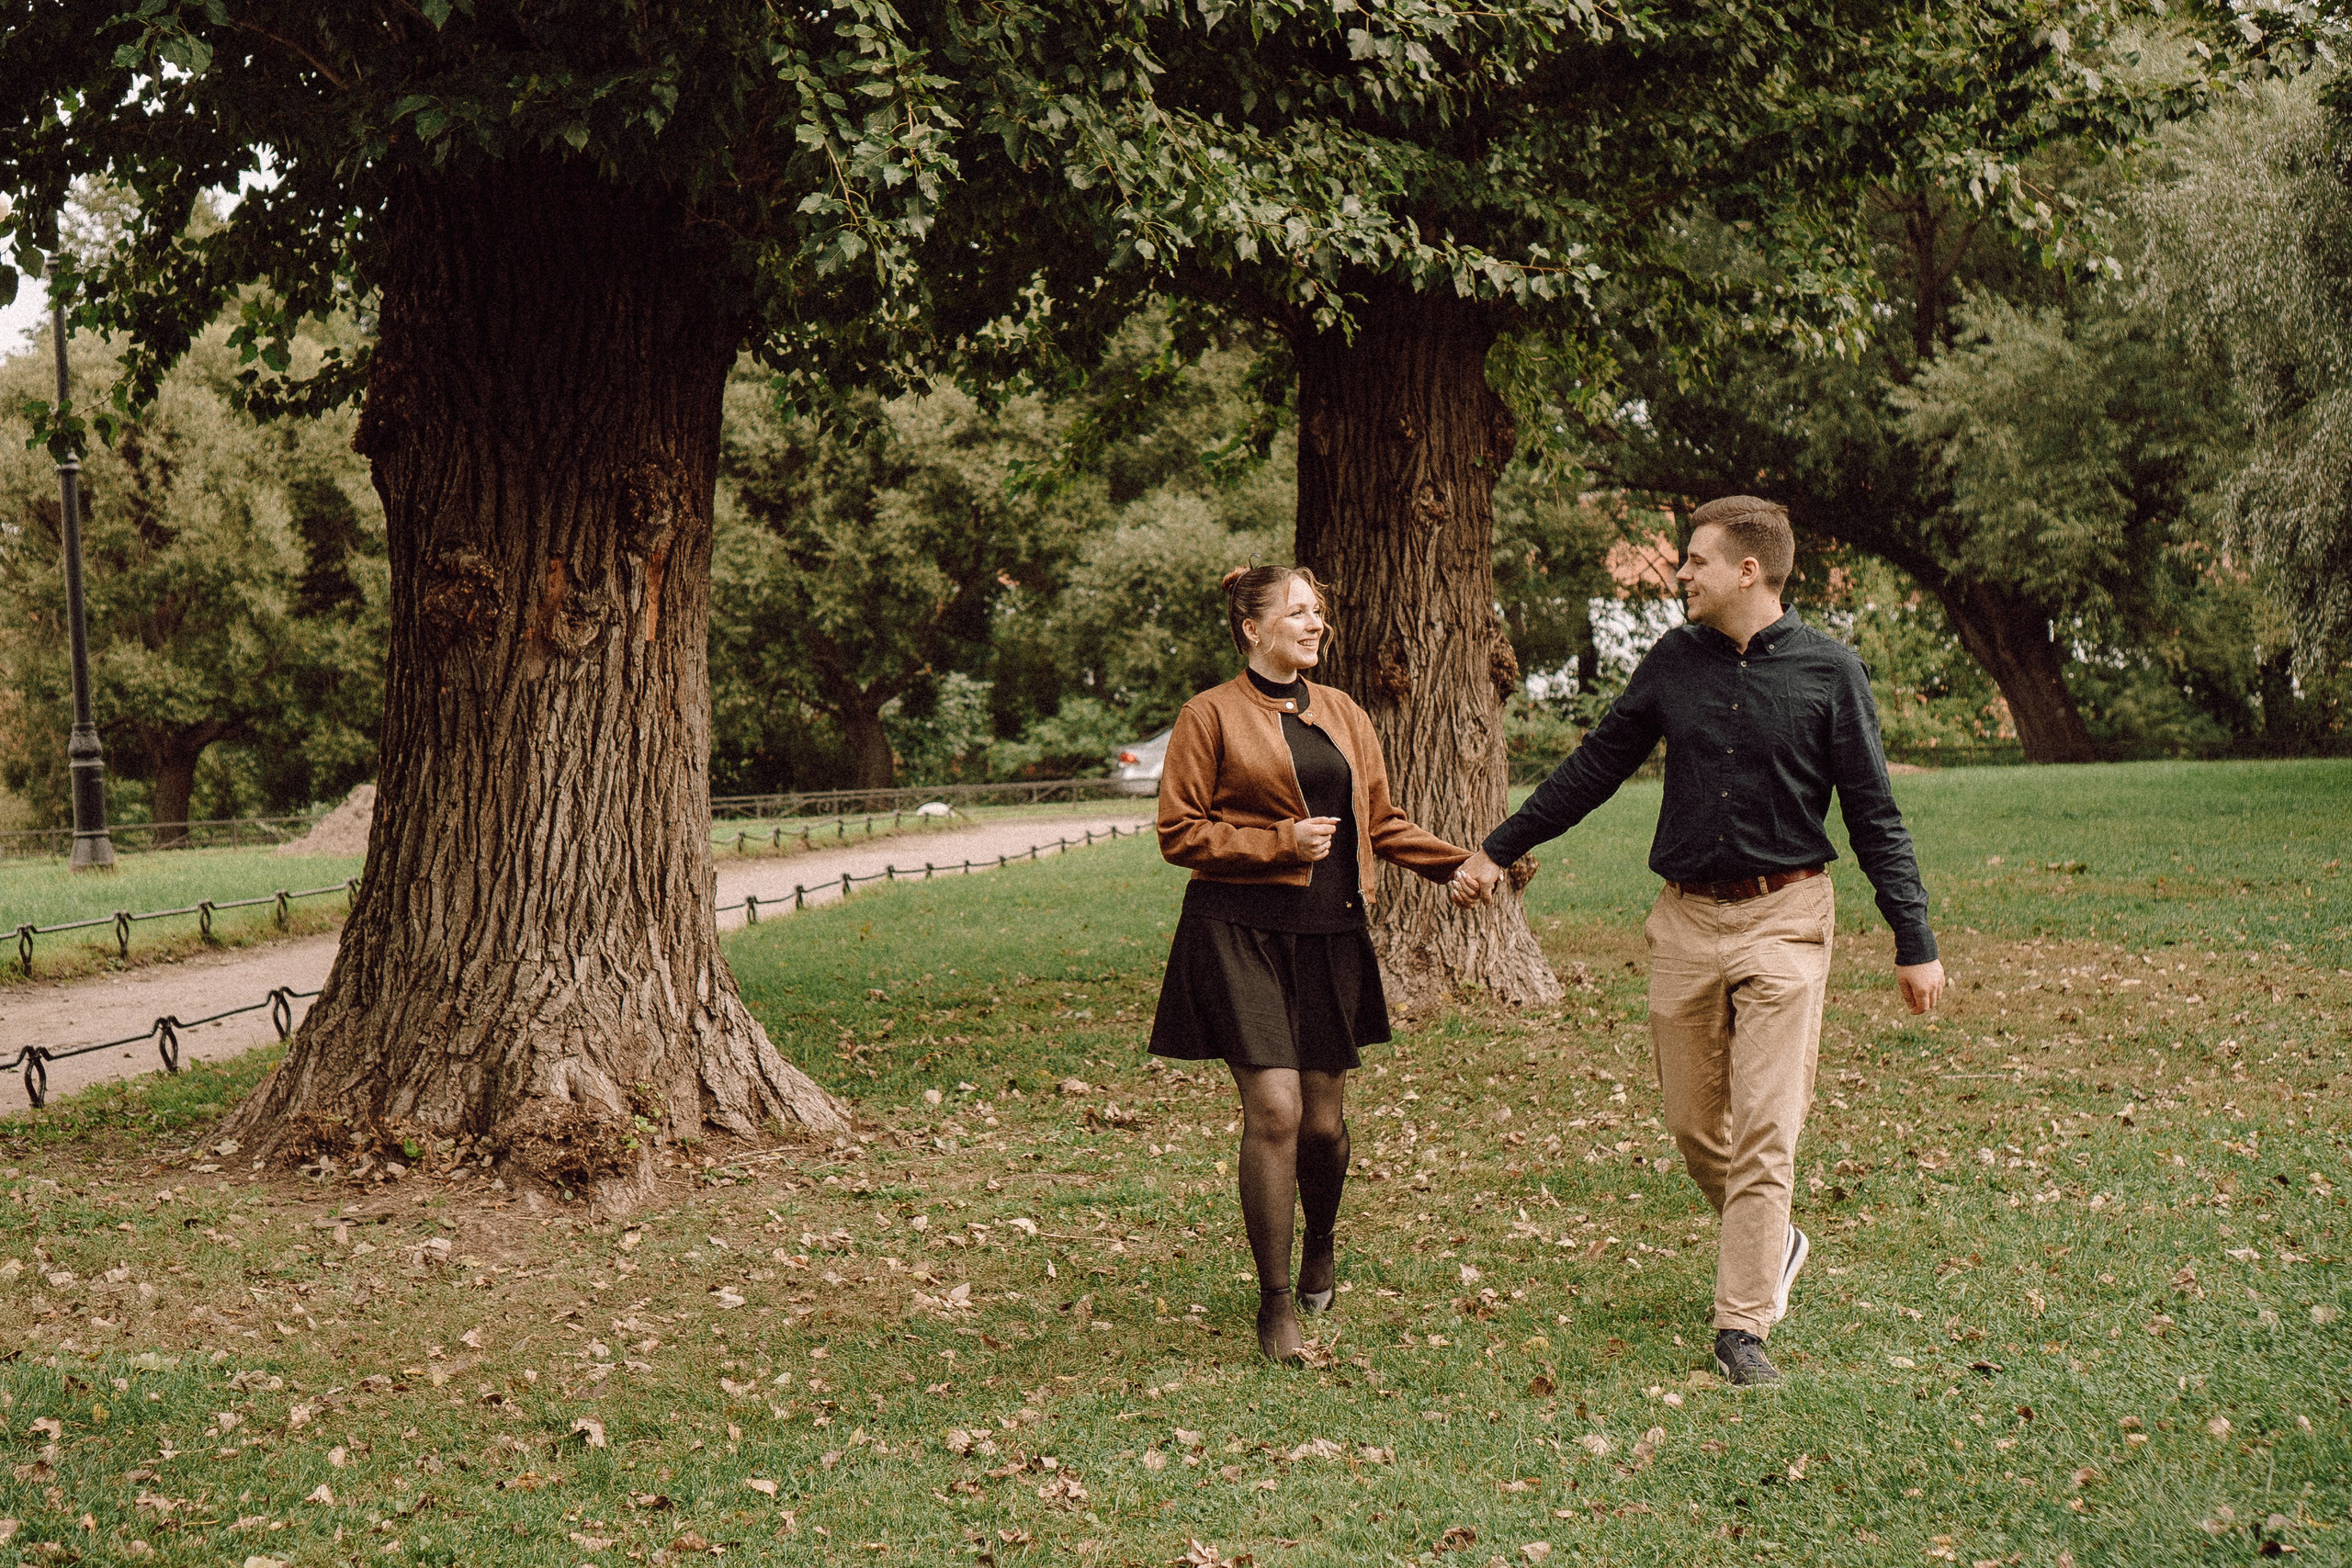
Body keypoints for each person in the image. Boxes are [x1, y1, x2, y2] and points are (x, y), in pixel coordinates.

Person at [1451, 496, 1946, 1387]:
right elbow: (1598, 764)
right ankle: (1775, 1237)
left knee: (1765, 1126)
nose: (1681, 574)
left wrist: (1914, 939)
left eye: (1694, 561)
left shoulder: (1831, 673)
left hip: (1786, 917)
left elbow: (1875, 813)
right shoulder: (1673, 662)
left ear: (1747, 571)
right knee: (1691, 1124)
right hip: (1683, 918)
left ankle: (1741, 1326)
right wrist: (1499, 847)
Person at [1151, 565, 1472, 1363]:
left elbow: (1382, 820)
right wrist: (1275, 845)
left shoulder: (1344, 712)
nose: (1316, 623)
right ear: (1253, 628)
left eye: (1319, 611)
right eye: (1299, 612)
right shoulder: (1210, 715)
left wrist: (1457, 863)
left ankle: (1320, 1241)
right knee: (1277, 1111)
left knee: (1324, 1126)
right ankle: (1274, 1299)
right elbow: (1178, 831)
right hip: (1237, 933)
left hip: (1329, 936)